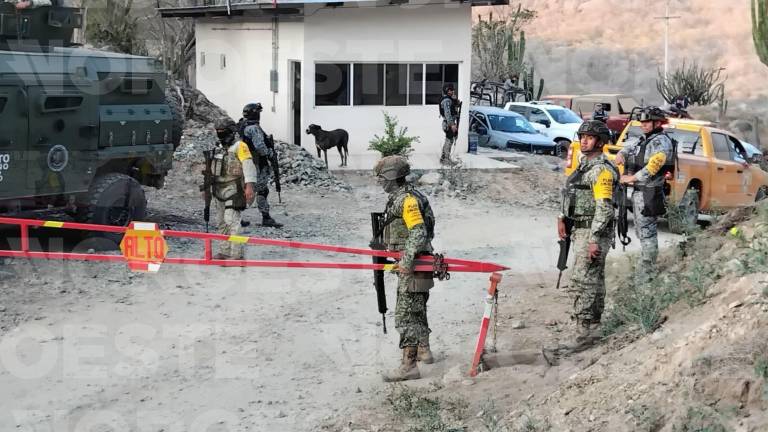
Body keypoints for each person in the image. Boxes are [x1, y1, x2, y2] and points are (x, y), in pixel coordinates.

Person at [544, 120, 618, 363]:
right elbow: (571, 193)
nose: (584, 140)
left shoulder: (602, 170)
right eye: (582, 136)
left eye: (590, 137)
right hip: (580, 229)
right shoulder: (584, 165)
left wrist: (595, 239)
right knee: (592, 280)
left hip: (593, 232)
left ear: (600, 141)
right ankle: (592, 327)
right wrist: (561, 217)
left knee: (583, 281)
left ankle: (583, 332)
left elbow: (604, 208)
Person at [374, 156, 436, 382]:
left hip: (415, 264)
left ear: (391, 177)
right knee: (417, 309)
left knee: (406, 315)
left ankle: (409, 366)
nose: (380, 182)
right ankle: (423, 350)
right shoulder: (412, 195)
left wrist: (407, 261)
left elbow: (418, 232)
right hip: (422, 261)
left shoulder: (406, 200)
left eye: (381, 178)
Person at [614, 106, 674, 284]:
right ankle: (644, 269)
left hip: (649, 192)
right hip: (641, 192)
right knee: (642, 233)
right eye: (642, 122)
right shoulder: (646, 139)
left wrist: (632, 177)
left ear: (657, 123)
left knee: (647, 234)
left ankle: (647, 273)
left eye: (647, 122)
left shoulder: (661, 142)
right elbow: (631, 147)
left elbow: (654, 165)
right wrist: (622, 153)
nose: (643, 125)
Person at [208, 119, 257, 260]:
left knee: (232, 222)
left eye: (223, 132)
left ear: (232, 132)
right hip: (219, 189)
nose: (221, 135)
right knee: (221, 222)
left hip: (234, 189)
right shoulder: (218, 147)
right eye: (219, 133)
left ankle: (237, 254)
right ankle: (225, 251)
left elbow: (248, 165)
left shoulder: (240, 146)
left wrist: (249, 186)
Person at [239, 102, 283, 228]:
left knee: (247, 189)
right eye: (258, 112)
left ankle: (236, 216)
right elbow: (260, 147)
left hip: (246, 162)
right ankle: (265, 217)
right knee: (260, 190)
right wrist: (270, 154)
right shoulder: (254, 128)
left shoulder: (242, 125)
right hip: (256, 163)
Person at [439, 84, 459, 165]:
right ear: (447, 91)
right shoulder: (446, 100)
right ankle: (446, 159)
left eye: (453, 90)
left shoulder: (449, 99)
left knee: (448, 140)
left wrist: (455, 100)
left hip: (449, 122)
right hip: (448, 123)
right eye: (451, 90)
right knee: (449, 140)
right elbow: (447, 113)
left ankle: (444, 158)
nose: (453, 91)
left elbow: (454, 107)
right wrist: (452, 124)